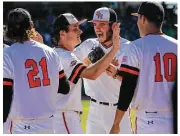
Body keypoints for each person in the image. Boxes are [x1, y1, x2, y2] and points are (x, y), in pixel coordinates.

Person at [109, 2, 177, 134]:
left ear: (143, 19)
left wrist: (116, 123)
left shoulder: (135, 47)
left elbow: (128, 87)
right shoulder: (177, 45)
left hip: (149, 120)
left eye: (138, 18)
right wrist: (117, 74)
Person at [3, 8, 70, 134]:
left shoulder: (7, 54)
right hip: (48, 125)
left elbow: (6, 95)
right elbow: (64, 88)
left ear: (9, 29)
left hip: (20, 126)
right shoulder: (50, 52)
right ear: (31, 26)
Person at [52, 13, 120, 134]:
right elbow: (91, 74)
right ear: (62, 33)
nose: (80, 31)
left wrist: (92, 60)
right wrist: (113, 50)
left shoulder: (57, 54)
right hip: (64, 116)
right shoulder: (65, 56)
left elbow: (77, 72)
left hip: (61, 115)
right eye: (75, 28)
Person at [74, 7, 132, 134]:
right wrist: (89, 59)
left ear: (114, 26)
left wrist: (117, 73)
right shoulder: (88, 45)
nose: (97, 28)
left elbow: (136, 83)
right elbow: (70, 67)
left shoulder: (129, 48)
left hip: (118, 111)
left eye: (102, 24)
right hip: (94, 110)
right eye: (95, 24)